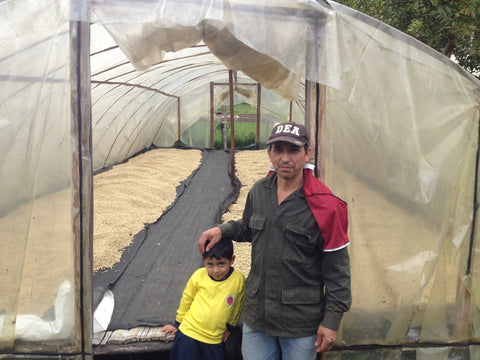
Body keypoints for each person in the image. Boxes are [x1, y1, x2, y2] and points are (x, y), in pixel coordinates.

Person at [198, 122, 351, 360]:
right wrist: (222, 230)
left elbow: (338, 271)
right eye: (278, 150)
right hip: (258, 316)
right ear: (269, 153)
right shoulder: (259, 191)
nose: (285, 158)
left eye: (294, 150)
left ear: (307, 153)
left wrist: (331, 322)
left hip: (300, 322)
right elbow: (249, 228)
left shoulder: (326, 205)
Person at [161, 238, 245, 360]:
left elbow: (238, 305)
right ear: (203, 261)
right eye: (210, 264)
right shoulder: (199, 275)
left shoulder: (238, 279)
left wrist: (230, 328)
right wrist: (177, 323)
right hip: (188, 333)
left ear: (232, 260)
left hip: (213, 339)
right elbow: (187, 299)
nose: (215, 270)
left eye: (221, 264)